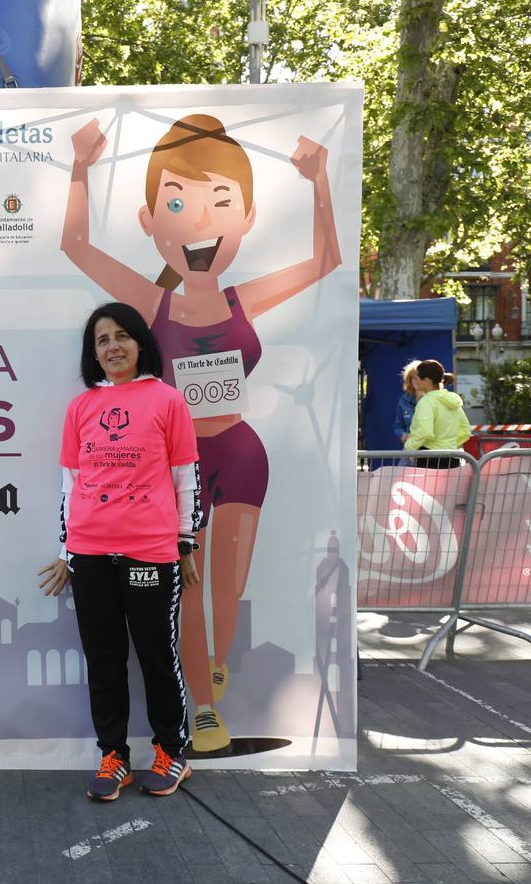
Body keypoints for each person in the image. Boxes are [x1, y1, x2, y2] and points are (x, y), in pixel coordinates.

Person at [61, 113, 340, 751]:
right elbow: (75, 247)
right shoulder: (150, 303)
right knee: (184, 589)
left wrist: (320, 179)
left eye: (220, 202)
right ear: (149, 221)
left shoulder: (244, 300)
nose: (198, 221)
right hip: (175, 467)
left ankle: (211, 679)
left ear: (246, 216)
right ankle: (205, 716)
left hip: (240, 453)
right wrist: (80, 166)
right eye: (178, 203)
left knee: (228, 591)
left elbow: (327, 259)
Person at [37, 302, 203, 801]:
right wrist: (67, 552)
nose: (112, 347)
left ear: (140, 343)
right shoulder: (81, 407)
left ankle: (172, 752)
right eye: (101, 340)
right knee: (103, 658)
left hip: (150, 552)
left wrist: (185, 543)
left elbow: (184, 479)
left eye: (121, 336)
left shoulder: (168, 401)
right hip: (89, 553)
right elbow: (70, 484)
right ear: (94, 353)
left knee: (156, 655)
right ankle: (113, 756)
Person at [403, 359, 471, 468]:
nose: (415, 381)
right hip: (452, 458)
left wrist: (408, 447)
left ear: (426, 380)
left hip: (429, 459)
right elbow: (466, 431)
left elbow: (425, 432)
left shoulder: (426, 402)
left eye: (417, 378)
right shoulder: (452, 400)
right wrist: (449, 444)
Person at [393, 360, 423, 446]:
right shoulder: (404, 400)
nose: (416, 380)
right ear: (409, 380)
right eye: (413, 377)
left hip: (431, 449)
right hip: (410, 447)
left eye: (419, 377)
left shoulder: (433, 398)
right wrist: (403, 435)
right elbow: (397, 426)